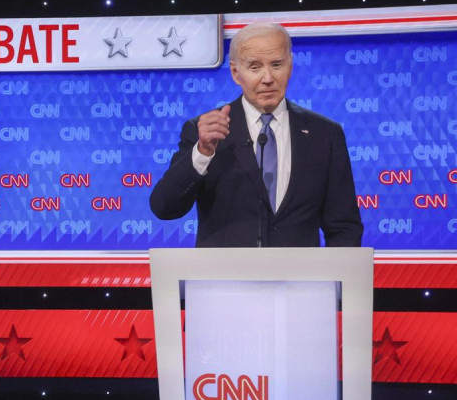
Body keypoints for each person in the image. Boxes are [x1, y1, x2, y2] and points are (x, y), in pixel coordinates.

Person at [149, 21, 363, 248]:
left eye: (277, 64)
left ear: (290, 66)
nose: (268, 77)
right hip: (224, 280)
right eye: (254, 67)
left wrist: (333, 279)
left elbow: (344, 227)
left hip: (301, 281)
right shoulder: (204, 132)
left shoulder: (325, 134)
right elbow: (164, 208)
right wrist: (202, 153)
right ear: (235, 72)